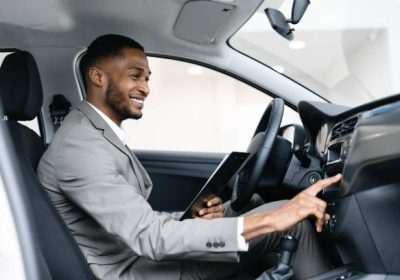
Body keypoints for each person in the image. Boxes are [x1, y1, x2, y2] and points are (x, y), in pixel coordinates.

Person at [37, 34, 341, 280]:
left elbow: (131, 220)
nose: (145, 87)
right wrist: (277, 219)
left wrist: (189, 219)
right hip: (139, 272)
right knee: (292, 222)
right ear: (97, 77)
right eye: (135, 76)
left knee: (255, 204)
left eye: (147, 78)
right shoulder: (80, 146)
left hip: (140, 257)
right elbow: (151, 238)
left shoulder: (91, 133)